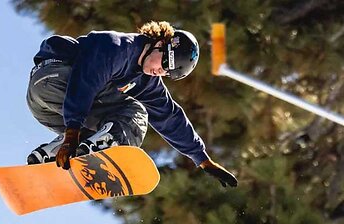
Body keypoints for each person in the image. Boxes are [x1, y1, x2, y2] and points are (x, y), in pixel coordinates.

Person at [26, 21, 238, 188]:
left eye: (167, 72)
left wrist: (202, 159)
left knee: (97, 132)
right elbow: (85, 82)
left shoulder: (147, 81)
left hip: (44, 106)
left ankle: (53, 153)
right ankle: (104, 145)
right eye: (165, 63)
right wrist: (72, 132)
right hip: (59, 77)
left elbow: (169, 117)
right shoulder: (118, 47)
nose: (160, 71)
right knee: (135, 113)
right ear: (159, 43)